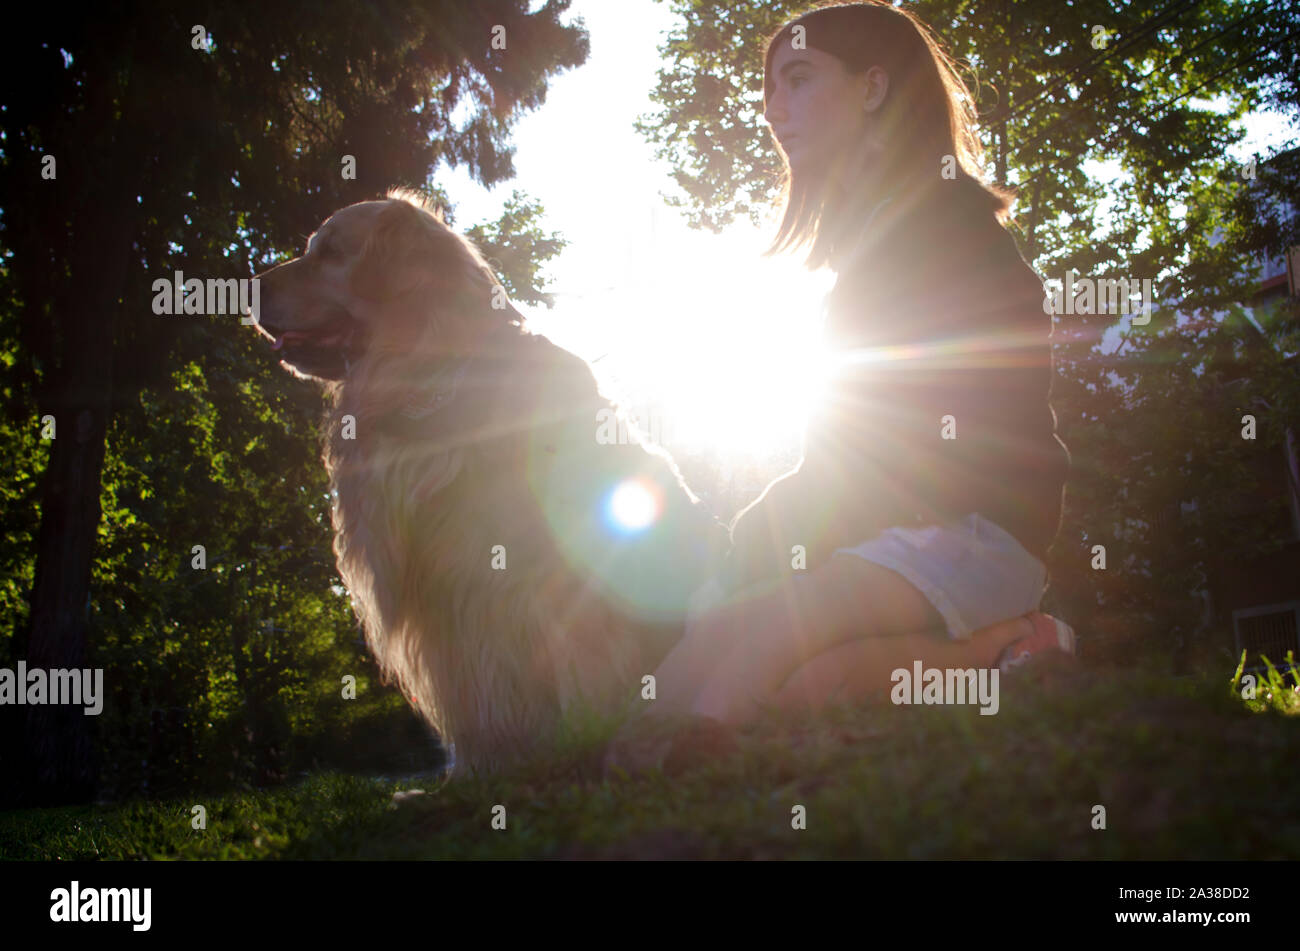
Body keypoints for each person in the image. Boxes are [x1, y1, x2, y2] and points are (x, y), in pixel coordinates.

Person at [648, 1, 1074, 726]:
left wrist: (784, 541)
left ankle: (1009, 644)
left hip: (973, 531)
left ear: (873, 87)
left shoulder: (946, 227)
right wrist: (759, 541)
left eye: (799, 80)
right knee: (742, 653)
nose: (774, 109)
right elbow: (841, 453)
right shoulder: (872, 248)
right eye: (769, 92)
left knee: (753, 661)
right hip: (892, 535)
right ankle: (1009, 656)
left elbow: (889, 448)